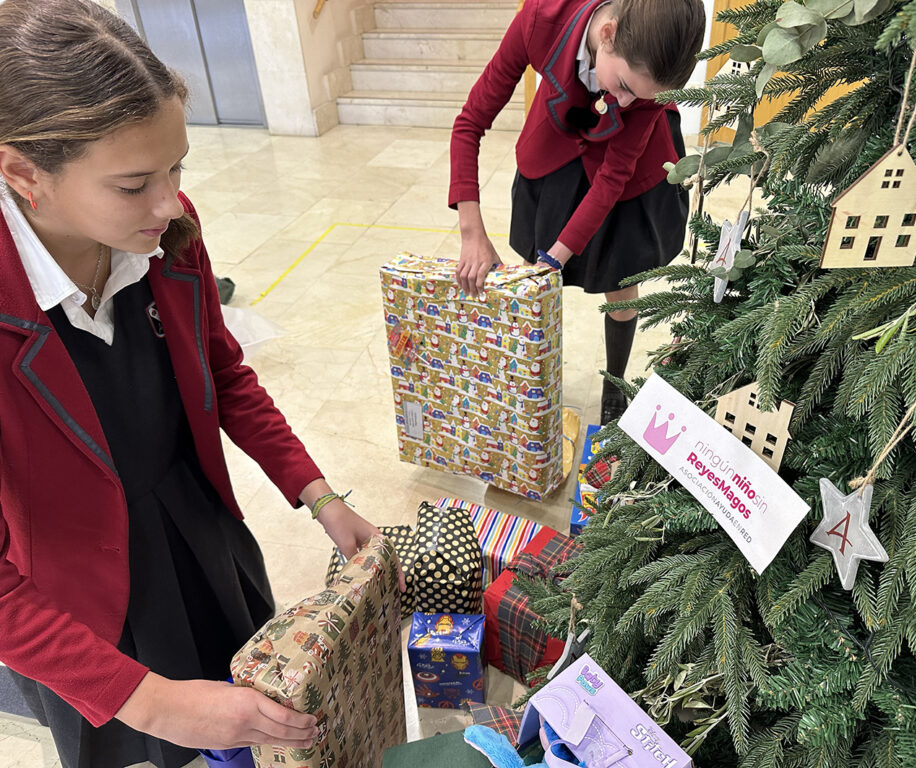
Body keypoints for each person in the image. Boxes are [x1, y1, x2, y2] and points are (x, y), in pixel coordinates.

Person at [0, 1, 398, 766]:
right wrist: (153, 701)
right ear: (24, 173)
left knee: (240, 712)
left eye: (177, 167)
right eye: (133, 182)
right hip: (78, 604)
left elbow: (222, 370)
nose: (169, 202)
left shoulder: (167, 236)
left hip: (197, 531)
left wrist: (316, 491)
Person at [449, 0, 705, 424]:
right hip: (556, 145)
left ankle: (614, 386)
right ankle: (532, 382)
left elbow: (613, 177)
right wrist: (471, 232)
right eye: (622, 83)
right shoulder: (539, 19)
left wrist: (559, 257)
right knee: (535, 281)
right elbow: (470, 122)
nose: (623, 100)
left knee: (620, 280)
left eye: (637, 95)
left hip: (630, 171)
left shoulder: (645, 89)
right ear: (607, 34)